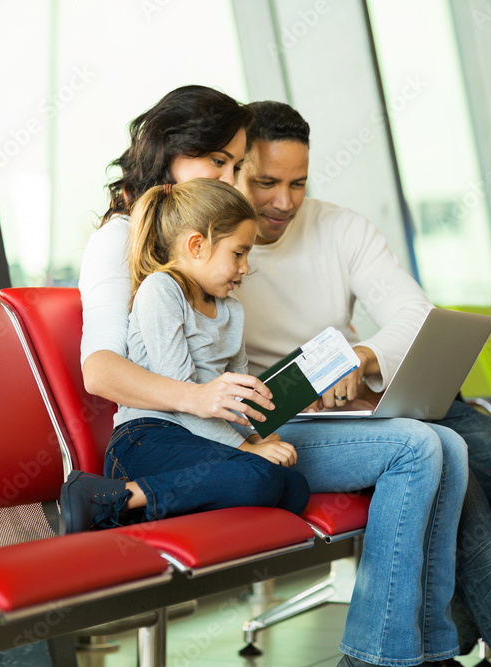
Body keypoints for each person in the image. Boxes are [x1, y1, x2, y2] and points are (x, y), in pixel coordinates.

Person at [79, 85, 469, 667]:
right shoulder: (125, 242)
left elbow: (234, 363)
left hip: (248, 417)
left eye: (238, 167)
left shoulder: (219, 261)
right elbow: (100, 370)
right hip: (179, 428)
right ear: (170, 154)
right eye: (220, 163)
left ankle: (431, 653)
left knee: (450, 446)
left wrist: (328, 379)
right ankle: (380, 656)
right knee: (417, 447)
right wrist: (210, 402)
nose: (235, 181)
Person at [235, 101, 491, 667]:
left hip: (380, 391)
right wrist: (313, 381)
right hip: (304, 415)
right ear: (235, 169)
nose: (284, 202)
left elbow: (414, 312)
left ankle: (446, 625)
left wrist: (362, 357)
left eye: (297, 182)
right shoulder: (219, 245)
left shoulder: (339, 226)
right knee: (447, 470)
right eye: (266, 182)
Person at [62, 178, 310, 532]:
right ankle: (112, 495)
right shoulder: (161, 291)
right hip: (147, 438)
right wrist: (247, 450)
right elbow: (185, 399)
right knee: (258, 474)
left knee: (294, 486)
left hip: (200, 440)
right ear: (197, 245)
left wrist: (258, 439)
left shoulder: (232, 311)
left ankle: (132, 509)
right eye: (238, 253)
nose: (244, 268)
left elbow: (240, 401)